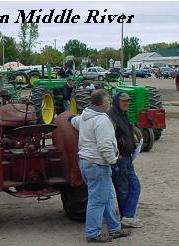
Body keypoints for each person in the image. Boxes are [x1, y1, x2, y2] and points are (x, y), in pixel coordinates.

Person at [69, 89, 131, 243]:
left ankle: (114, 228)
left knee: (108, 196)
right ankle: (93, 233)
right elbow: (104, 146)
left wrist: (68, 118)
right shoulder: (102, 120)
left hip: (86, 163)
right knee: (97, 200)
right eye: (108, 100)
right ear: (103, 102)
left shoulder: (85, 116)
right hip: (98, 164)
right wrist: (113, 161)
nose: (109, 103)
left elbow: (75, 122)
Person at [107, 92, 143, 228]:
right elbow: (109, 137)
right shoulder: (112, 115)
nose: (126, 103)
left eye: (128, 101)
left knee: (133, 185)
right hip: (120, 158)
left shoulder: (122, 114)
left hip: (128, 157)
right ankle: (126, 217)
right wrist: (116, 153)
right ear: (117, 101)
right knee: (123, 188)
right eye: (123, 101)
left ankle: (127, 215)